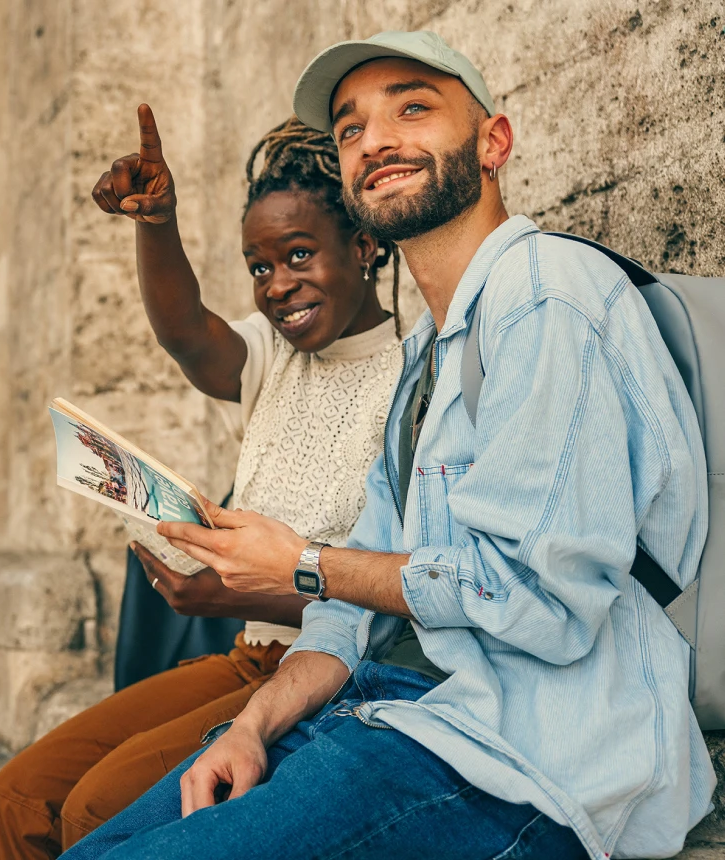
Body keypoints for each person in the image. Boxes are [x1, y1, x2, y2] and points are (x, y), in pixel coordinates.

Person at [62, 31, 711, 860]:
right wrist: (252, 725)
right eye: (351, 128)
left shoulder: (546, 299)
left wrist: (303, 562)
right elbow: (348, 606)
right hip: (397, 712)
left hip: (528, 764)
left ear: (493, 142)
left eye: (412, 108)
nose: (375, 139)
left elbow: (534, 598)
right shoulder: (426, 357)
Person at [0, 109, 405, 859]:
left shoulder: (410, 380)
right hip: (245, 653)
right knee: (19, 793)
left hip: (329, 674)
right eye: (258, 267)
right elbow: (185, 333)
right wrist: (158, 223)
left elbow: (391, 599)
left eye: (300, 254)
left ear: (364, 245)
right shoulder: (274, 355)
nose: (279, 286)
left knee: (95, 812)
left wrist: (238, 590)